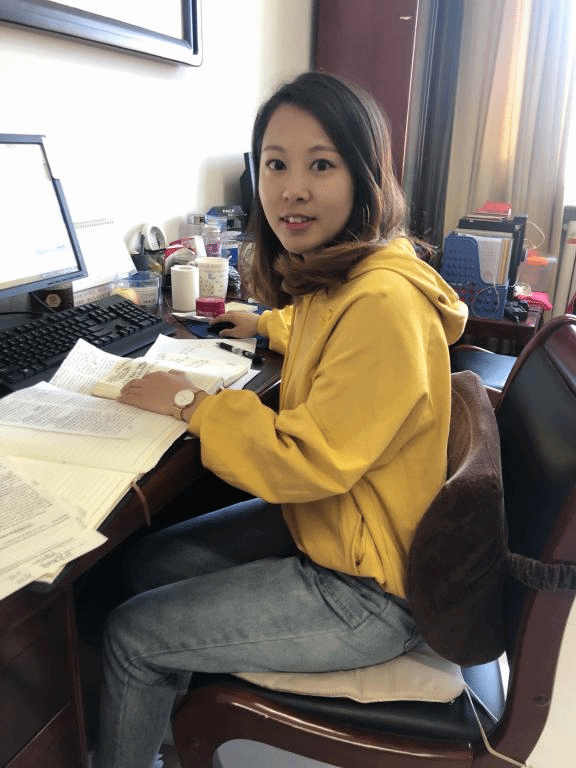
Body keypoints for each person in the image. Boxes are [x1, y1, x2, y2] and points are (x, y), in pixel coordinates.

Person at [93, 71, 467, 768]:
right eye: (275, 164)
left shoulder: (383, 305)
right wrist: (265, 324)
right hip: (338, 529)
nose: (292, 189)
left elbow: (305, 461)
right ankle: (156, 719)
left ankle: (140, 707)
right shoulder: (356, 276)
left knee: (129, 635)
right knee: (150, 561)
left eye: (321, 165)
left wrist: (192, 404)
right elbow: (332, 340)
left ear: (365, 177)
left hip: (369, 592)